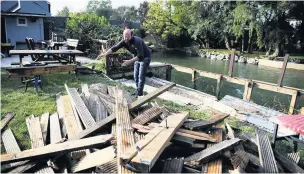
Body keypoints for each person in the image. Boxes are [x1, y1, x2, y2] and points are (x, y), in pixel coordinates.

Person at [99, 28, 151, 97]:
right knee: (135, 76)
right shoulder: (124, 41)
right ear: (123, 36)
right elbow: (115, 48)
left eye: (128, 36)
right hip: (137, 57)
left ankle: (139, 94)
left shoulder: (137, 41)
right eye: (125, 36)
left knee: (140, 76)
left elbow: (140, 56)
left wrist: (129, 61)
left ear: (132, 35)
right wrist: (105, 54)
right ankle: (138, 91)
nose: (126, 38)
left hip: (145, 57)